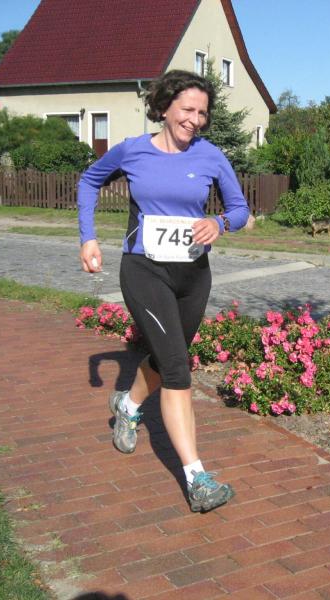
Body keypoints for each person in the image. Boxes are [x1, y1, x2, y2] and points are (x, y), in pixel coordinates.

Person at [77, 70, 250, 512]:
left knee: (168, 357)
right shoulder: (133, 150)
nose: (195, 119)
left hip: (193, 274)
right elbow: (89, 181)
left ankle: (128, 404)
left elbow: (240, 209)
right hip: (144, 270)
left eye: (202, 113)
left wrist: (219, 223)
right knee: (177, 371)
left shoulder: (211, 156)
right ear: (165, 107)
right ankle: (198, 479)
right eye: (188, 109)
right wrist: (88, 237)